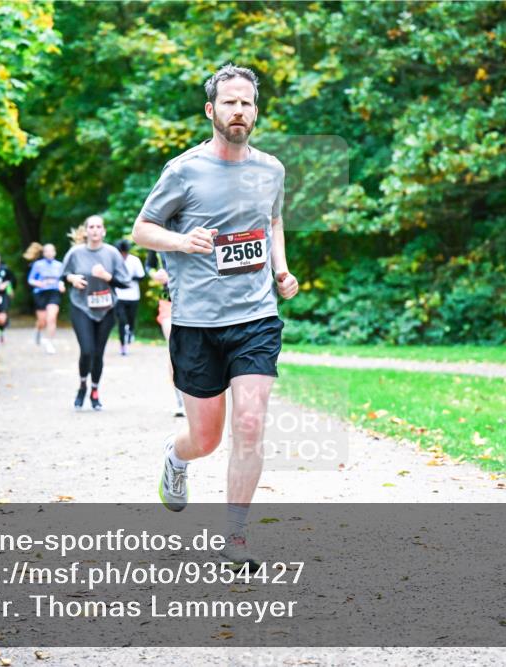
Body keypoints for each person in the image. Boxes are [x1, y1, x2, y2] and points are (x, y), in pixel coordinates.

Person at [131, 64, 299, 569]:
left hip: (255, 316)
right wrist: (182, 241)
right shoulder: (183, 170)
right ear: (212, 110)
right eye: (230, 102)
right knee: (205, 439)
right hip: (196, 322)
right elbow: (142, 229)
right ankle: (177, 456)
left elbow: (272, 221)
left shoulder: (271, 169)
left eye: (247, 102)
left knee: (249, 421)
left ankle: (236, 536)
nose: (239, 111)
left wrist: (281, 269)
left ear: (256, 110)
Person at [60, 215, 131, 410]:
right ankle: (82, 385)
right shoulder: (75, 253)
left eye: (98, 226)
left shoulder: (112, 253)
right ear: (86, 231)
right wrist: (72, 278)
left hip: (106, 308)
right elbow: (63, 274)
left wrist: (106, 276)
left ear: (104, 231)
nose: (95, 230)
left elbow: (125, 281)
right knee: (87, 350)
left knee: (98, 354)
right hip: (81, 306)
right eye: (91, 226)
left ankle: (94, 390)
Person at [146, 249, 186, 417]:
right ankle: (181, 401)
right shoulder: (157, 236)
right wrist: (155, 274)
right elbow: (149, 266)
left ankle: (197, 397)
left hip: (192, 298)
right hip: (167, 298)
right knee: (174, 348)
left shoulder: (191, 229)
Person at [25, 242, 66, 355]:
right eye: (46, 251)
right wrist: (39, 283)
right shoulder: (38, 265)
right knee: (42, 321)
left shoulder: (59, 265)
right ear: (43, 253)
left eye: (51, 250)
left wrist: (61, 285)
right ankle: (38, 329)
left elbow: (62, 279)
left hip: (54, 293)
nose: (49, 253)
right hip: (41, 293)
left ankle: (49, 343)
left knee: (51, 318)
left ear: (54, 252)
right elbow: (30, 280)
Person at [114, 239, 145, 356]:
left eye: (125, 253)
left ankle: (131, 331)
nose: (123, 256)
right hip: (119, 296)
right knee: (122, 321)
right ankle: (123, 347)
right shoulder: (114, 261)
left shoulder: (135, 260)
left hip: (133, 296)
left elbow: (142, 277)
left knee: (130, 320)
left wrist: (130, 278)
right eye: (121, 253)